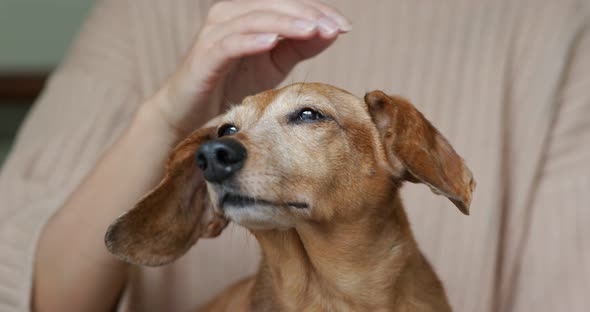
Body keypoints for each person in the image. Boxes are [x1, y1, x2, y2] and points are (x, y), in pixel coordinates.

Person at [0, 0, 588, 311]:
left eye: (307, 117)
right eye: (224, 138)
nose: (223, 155)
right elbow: (36, 298)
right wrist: (165, 117)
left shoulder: (552, 24)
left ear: (394, 152)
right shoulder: (139, 15)